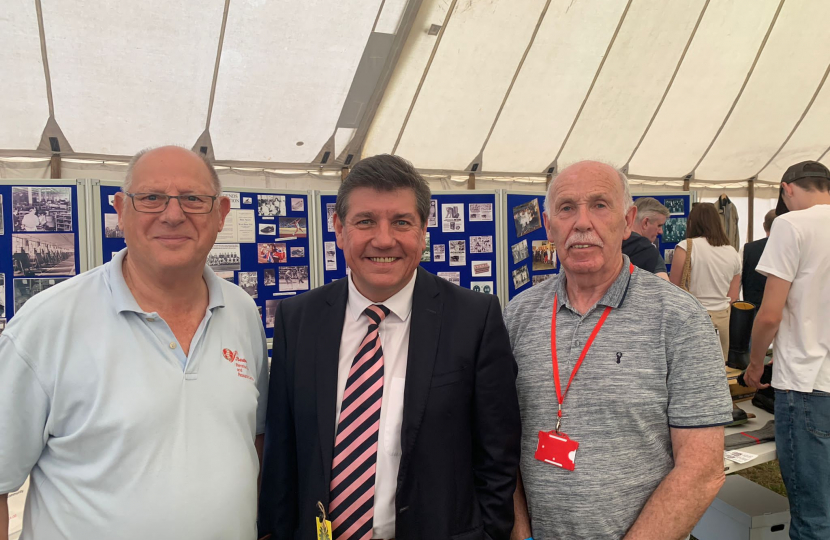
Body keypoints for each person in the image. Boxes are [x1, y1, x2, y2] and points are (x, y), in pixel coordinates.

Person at [0, 146, 269, 540]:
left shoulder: (242, 311)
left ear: (221, 215)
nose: (173, 214)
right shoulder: (46, 324)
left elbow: (253, 439)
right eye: (151, 198)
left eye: (193, 199)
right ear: (121, 210)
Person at [258, 154, 521, 540]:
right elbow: (282, 451)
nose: (384, 239)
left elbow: (498, 454)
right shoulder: (299, 319)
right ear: (339, 228)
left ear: (423, 230)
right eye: (365, 221)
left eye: (401, 222)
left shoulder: (473, 318)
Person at [506, 161, 731, 540]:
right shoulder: (518, 315)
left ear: (627, 221)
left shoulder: (677, 317)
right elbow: (501, 443)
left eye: (599, 205)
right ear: (548, 226)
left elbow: (702, 469)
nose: (581, 223)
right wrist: (522, 533)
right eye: (566, 208)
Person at [744, 160, 830, 539]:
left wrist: (754, 364)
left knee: (813, 515)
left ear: (787, 189)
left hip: (806, 382)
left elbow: (769, 314)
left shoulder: (790, 224)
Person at [670, 202, 741, 362]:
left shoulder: (685, 247)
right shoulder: (732, 252)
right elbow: (733, 295)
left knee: (690, 369)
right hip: (723, 318)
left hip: (692, 319)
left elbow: (674, 289)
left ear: (692, 222)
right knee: (718, 369)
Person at [622, 197, 669, 279]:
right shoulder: (650, 253)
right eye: (659, 225)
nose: (661, 231)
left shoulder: (612, 245)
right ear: (645, 223)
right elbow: (665, 290)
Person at [741, 209, 777, 308]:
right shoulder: (792, 249)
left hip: (752, 311)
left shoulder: (747, 249)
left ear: (764, 226)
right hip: (782, 313)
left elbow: (736, 284)